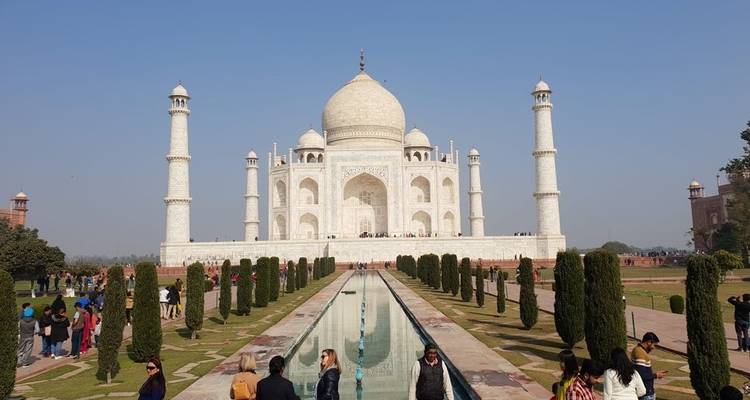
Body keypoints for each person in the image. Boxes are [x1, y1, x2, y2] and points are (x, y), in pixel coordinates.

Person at [631, 332, 667, 400]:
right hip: (646, 393)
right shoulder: (640, 354)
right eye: (654, 345)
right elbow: (641, 376)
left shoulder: (637, 350)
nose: (654, 348)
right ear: (649, 342)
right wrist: (656, 375)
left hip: (644, 391)